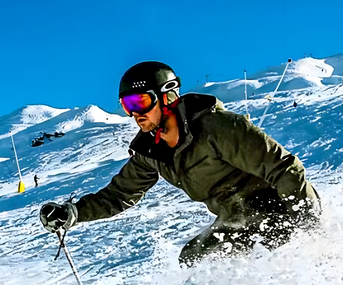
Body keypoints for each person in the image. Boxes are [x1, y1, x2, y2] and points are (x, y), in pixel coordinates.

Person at [38, 61, 321, 267]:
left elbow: (284, 168)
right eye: (127, 106)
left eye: (142, 101)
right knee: (193, 258)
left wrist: (308, 223)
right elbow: (119, 195)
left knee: (211, 257)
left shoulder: (216, 127)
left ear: (168, 97)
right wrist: (73, 212)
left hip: (276, 209)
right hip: (233, 217)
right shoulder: (151, 150)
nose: (135, 113)